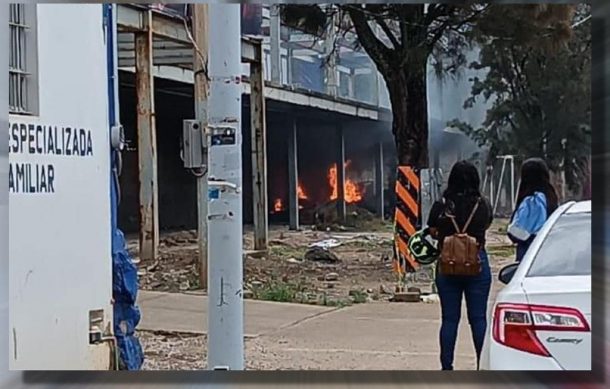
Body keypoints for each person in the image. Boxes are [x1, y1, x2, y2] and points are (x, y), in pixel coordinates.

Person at [427, 161, 493, 371]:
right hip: (477, 263)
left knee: (449, 319)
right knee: (478, 319)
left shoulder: (442, 205)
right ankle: (483, 366)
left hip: (447, 266)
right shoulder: (482, 205)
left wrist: (445, 234)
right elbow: (486, 224)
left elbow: (431, 229)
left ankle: (447, 367)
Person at [508, 158, 559, 262]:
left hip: (530, 252)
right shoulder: (549, 196)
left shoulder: (532, 201)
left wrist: (510, 230)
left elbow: (520, 232)